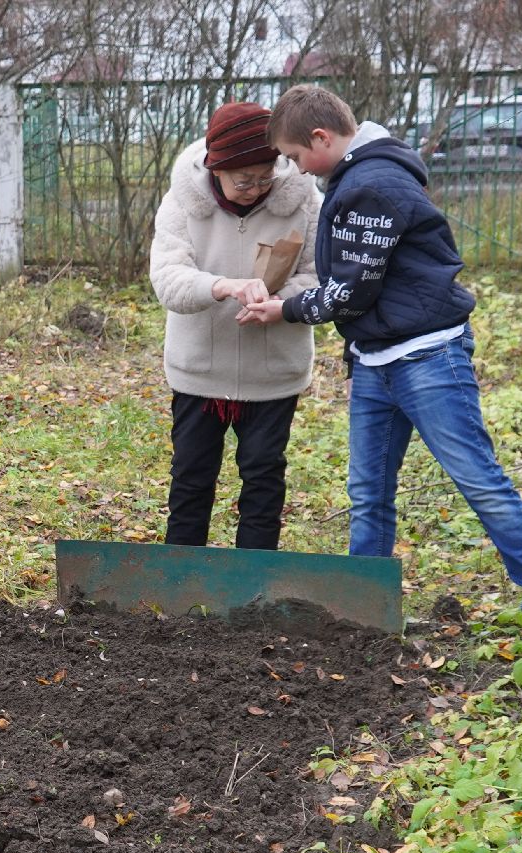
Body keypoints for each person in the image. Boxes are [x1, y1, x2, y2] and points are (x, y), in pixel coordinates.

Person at [238, 84, 522, 644]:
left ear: (321, 138)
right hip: (377, 360)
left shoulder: (372, 185)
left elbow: (349, 293)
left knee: (481, 483)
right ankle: (366, 617)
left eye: (296, 156)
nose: (298, 169)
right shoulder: (354, 178)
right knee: (368, 493)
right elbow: (362, 290)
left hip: (427, 358)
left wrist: (282, 309)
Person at [149, 101, 322, 549]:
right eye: (243, 180)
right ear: (214, 168)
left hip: (274, 371)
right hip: (200, 372)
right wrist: (222, 286)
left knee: (264, 480)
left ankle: (254, 593)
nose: (255, 188)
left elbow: (322, 275)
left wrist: (280, 302)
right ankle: (180, 586)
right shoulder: (182, 202)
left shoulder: (303, 199)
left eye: (265, 176)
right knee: (191, 479)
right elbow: (168, 279)